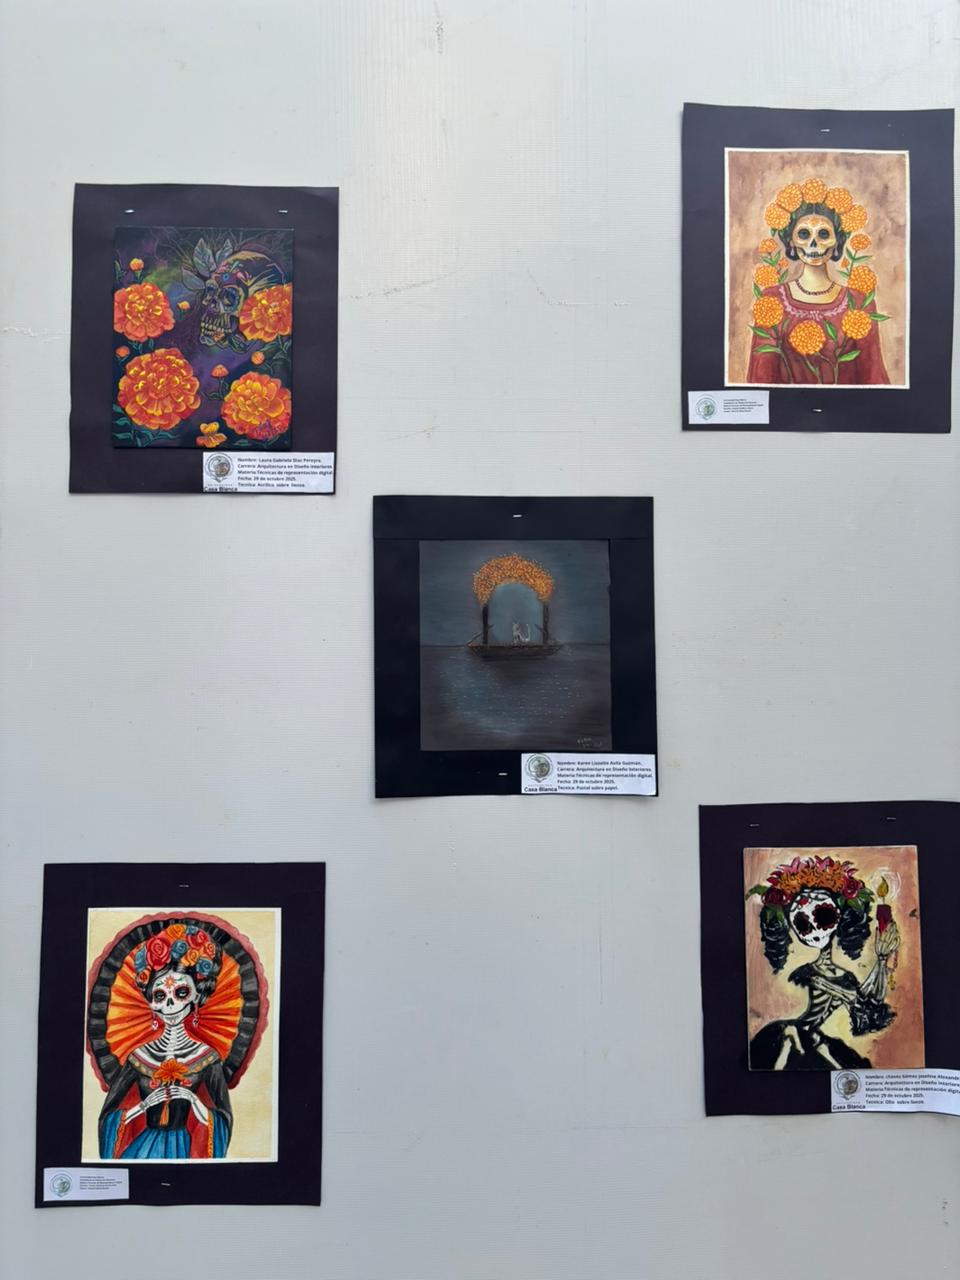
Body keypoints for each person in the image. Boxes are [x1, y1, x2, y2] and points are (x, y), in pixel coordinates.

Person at [746, 856, 899, 1070]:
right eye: (802, 924)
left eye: (824, 917)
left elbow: (868, 1002)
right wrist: (854, 996)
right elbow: (849, 995)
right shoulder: (808, 973)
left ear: (840, 918)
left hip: (816, 1037)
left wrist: (882, 959)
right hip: (798, 1029)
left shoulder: (845, 977)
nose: (816, 931)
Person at [97, 924, 233, 1158]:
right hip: (141, 1149)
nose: (170, 1004)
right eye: (160, 995)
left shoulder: (207, 1057)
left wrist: (193, 1100)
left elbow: (224, 1119)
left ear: (197, 995)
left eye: (180, 992)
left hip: (184, 1150)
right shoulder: (138, 1056)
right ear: (150, 1002)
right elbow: (107, 1117)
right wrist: (143, 1106)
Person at [746, 180, 889, 385]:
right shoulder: (771, 300)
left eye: (823, 234)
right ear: (791, 242)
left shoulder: (858, 303)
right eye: (804, 234)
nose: (813, 244)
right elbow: (760, 379)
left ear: (837, 242)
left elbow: (873, 377)